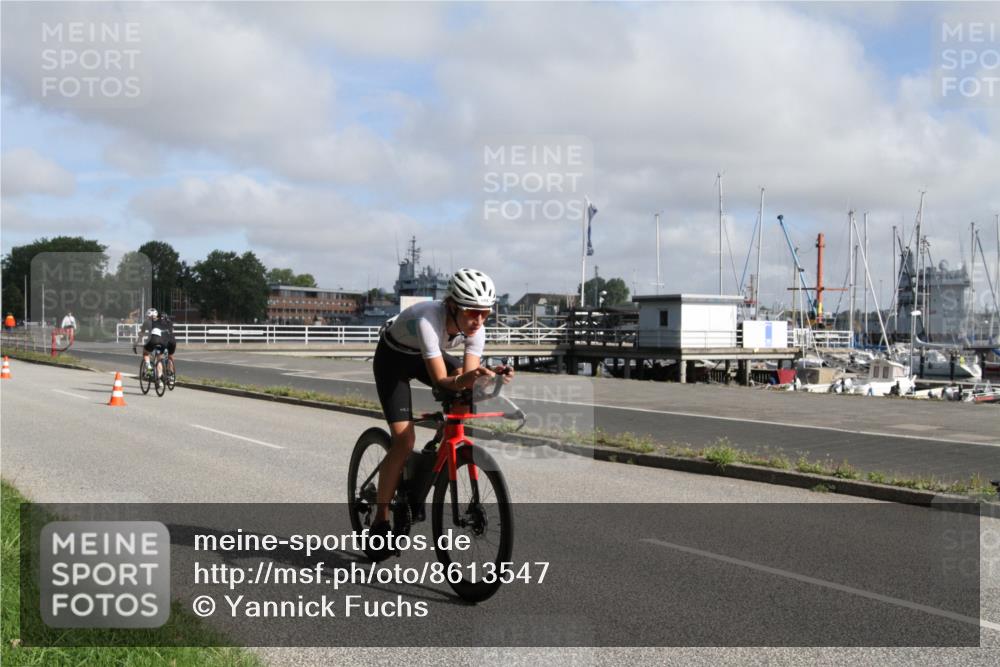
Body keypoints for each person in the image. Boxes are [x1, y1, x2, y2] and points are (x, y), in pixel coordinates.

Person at [368, 268, 513, 561]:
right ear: (452, 306)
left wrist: (490, 378)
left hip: (423, 356)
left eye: (485, 313)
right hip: (393, 361)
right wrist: (468, 379)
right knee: (404, 441)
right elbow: (441, 382)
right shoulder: (427, 320)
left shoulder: (477, 328)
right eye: (473, 313)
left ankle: (439, 452)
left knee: (465, 388)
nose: (479, 321)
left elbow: (467, 376)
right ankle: (381, 519)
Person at [134, 308, 176, 386]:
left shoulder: (147, 322)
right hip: (165, 341)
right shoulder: (163, 321)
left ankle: (149, 369)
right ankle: (169, 377)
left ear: (147, 316)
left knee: (146, 353)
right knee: (162, 357)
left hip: (153, 340)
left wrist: (136, 343)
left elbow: (141, 334)